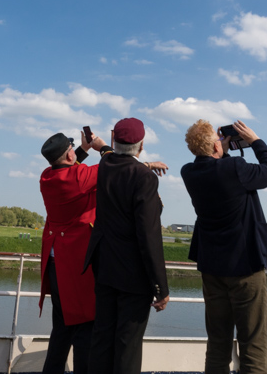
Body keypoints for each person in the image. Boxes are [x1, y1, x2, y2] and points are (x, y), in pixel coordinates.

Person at [38, 131, 168, 374]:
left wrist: (83, 150)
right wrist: (103, 146)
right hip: (76, 262)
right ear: (68, 154)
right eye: (72, 150)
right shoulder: (80, 177)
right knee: (87, 326)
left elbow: (68, 165)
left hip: (55, 261)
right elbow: (116, 166)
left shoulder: (47, 176)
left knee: (62, 328)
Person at [180, 119, 267, 374]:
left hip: (212, 268)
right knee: (253, 342)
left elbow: (215, 167)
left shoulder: (188, 172)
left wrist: (218, 147)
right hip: (245, 267)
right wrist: (255, 141)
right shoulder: (235, 167)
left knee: (218, 341)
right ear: (215, 145)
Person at [84, 117, 170, 374]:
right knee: (128, 344)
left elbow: (108, 153)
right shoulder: (145, 178)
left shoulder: (105, 165)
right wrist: (160, 287)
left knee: (102, 338)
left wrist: (100, 145)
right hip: (133, 276)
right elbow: (149, 236)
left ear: (114, 141)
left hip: (105, 269)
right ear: (141, 146)